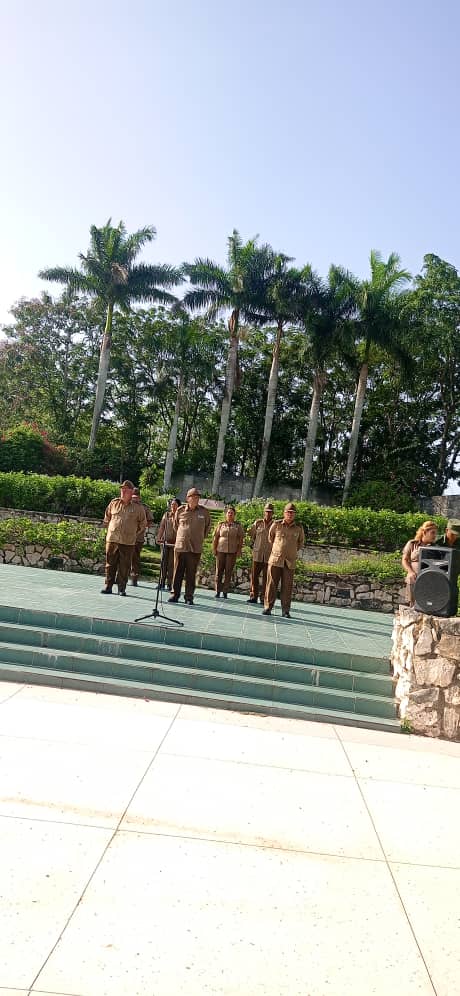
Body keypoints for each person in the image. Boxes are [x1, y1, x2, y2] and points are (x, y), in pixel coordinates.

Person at [101, 481, 147, 596]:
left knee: (124, 566)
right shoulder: (114, 503)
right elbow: (107, 518)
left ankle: (121, 588)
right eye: (122, 489)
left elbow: (143, 524)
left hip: (128, 542)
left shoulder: (138, 508)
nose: (123, 491)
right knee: (110, 564)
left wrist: (133, 534)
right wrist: (111, 530)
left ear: (131, 491)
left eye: (126, 489)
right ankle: (108, 586)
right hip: (112, 540)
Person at [168, 487, 211, 605]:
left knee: (191, 574)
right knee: (177, 572)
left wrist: (199, 538)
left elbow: (207, 528)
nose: (196, 499)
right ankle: (174, 594)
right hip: (181, 546)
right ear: (188, 498)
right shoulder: (181, 510)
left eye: (198, 497)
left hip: (195, 548)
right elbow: (176, 526)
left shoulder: (204, 512)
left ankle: (189, 597)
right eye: (194, 497)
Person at [263, 502, 304, 618]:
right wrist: (278, 549)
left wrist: (290, 551)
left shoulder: (298, 528)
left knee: (287, 587)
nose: (290, 515)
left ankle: (285, 610)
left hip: (289, 561)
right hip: (276, 559)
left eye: (292, 513)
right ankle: (267, 607)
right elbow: (270, 538)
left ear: (294, 515)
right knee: (271, 584)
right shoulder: (276, 525)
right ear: (284, 513)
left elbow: (300, 543)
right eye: (288, 512)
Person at [401, 520, 438, 606]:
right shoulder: (412, 544)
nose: (435, 536)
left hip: (428, 577)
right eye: (432, 533)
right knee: (410, 578)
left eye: (435, 533)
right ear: (424, 532)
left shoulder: (435, 547)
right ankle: (412, 605)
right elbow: (404, 560)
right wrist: (410, 571)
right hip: (414, 576)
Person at [212, 506, 244, 598]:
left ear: (234, 515)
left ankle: (225, 591)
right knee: (219, 571)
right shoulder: (221, 525)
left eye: (232, 513)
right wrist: (214, 549)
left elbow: (241, 539)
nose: (230, 514)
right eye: (228, 513)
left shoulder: (238, 526)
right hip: (220, 550)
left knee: (228, 572)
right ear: (226, 514)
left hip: (232, 551)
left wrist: (239, 550)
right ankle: (217, 591)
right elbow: (216, 538)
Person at [246, 502, 274, 604]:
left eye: (270, 512)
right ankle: (253, 596)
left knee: (267, 578)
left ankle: (263, 598)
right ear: (264, 512)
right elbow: (252, 536)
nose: (268, 514)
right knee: (254, 576)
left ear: (273, 513)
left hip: (269, 555)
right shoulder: (257, 523)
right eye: (266, 512)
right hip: (257, 554)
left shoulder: (275, 525)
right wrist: (254, 546)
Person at [129, 487, 154, 587]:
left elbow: (150, 521)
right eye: (133, 497)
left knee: (135, 559)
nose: (134, 499)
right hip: (125, 537)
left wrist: (142, 526)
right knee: (123, 557)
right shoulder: (126, 505)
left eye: (136, 497)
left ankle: (134, 578)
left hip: (138, 538)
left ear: (139, 497)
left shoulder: (144, 508)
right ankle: (121, 577)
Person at [156, 497, 180, 589]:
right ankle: (161, 582)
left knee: (171, 564)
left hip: (175, 544)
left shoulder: (180, 516)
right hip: (165, 542)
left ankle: (169, 584)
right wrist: (159, 537)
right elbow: (162, 526)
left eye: (175, 505)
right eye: (172, 505)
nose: (173, 507)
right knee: (163, 563)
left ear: (179, 506)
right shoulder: (166, 515)